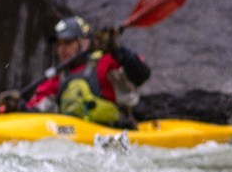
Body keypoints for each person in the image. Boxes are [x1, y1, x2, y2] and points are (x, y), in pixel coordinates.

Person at [18, 14, 149, 125]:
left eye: (68, 42)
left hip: (115, 133)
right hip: (77, 140)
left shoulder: (106, 62)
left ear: (85, 42)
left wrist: (117, 50)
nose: (62, 49)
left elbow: (141, 74)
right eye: (59, 44)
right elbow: (35, 112)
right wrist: (18, 107)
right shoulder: (57, 78)